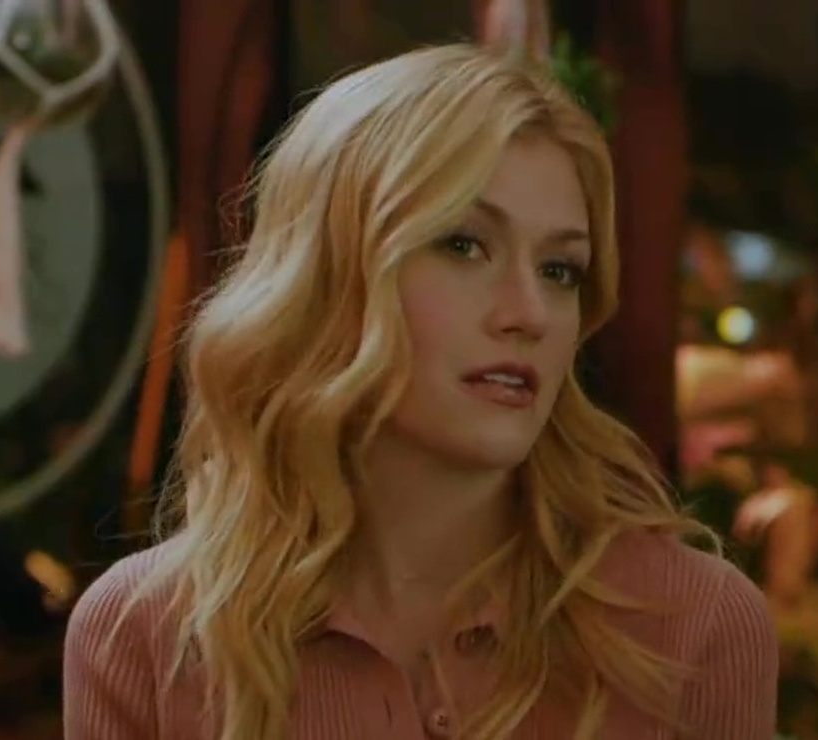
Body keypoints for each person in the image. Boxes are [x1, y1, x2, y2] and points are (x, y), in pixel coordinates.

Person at [61, 44, 779, 740]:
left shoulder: (693, 627)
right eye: (462, 245)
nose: (528, 313)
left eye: (559, 270)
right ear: (330, 276)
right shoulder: (141, 635)